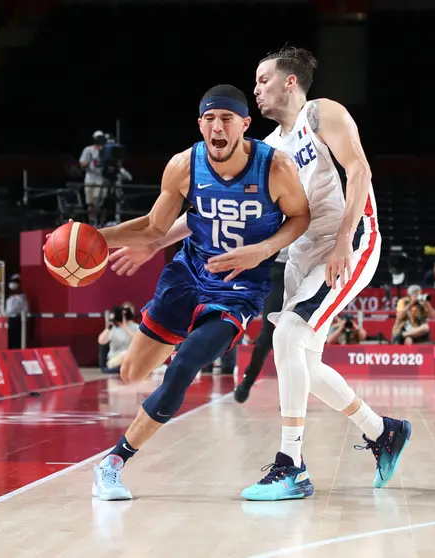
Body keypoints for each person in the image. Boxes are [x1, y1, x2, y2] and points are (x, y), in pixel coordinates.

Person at [107, 47, 412, 501]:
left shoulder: (320, 113)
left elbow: (360, 169)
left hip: (348, 240)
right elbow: (210, 213)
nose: (256, 89)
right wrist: (154, 239)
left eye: (263, 79)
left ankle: (292, 466)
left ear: (290, 81)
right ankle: (383, 431)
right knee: (305, 362)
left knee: (288, 334)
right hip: (303, 252)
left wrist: (346, 239)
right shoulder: (270, 151)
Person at [85, 84, 310, 501]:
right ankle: (171, 359)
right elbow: (154, 227)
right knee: (131, 374)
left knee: (185, 364)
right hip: (188, 274)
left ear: (244, 125)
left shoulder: (275, 167)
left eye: (227, 119)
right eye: (210, 119)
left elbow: (300, 216)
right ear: (200, 125)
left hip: (239, 286)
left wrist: (264, 248)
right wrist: (96, 238)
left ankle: (112, 463)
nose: (217, 127)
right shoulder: (183, 166)